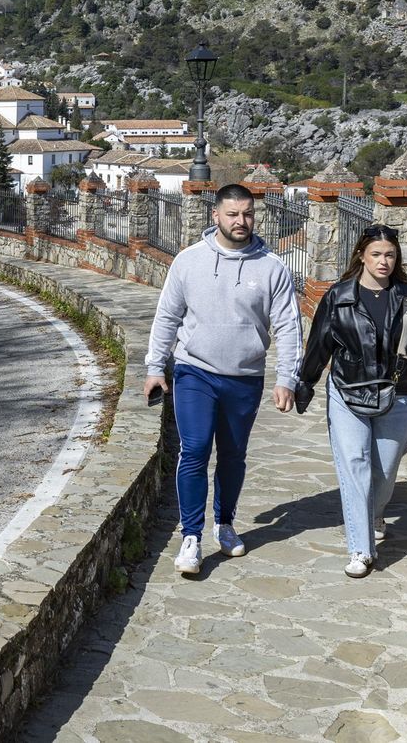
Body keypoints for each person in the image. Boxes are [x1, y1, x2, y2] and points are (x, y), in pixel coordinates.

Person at [144, 183, 304, 575]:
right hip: (194, 370)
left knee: (232, 456)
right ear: (215, 215)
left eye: (247, 214)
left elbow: (288, 326)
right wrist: (154, 367)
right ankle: (191, 536)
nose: (241, 221)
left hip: (245, 377)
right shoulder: (189, 261)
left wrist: (287, 378)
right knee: (195, 449)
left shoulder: (272, 267)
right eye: (232, 214)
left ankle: (225, 523)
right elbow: (167, 316)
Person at [295, 223, 407, 578]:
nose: (383, 261)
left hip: (397, 392)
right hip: (347, 391)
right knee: (355, 466)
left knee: (385, 470)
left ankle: (376, 513)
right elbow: (319, 343)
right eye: (376, 254)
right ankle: (361, 549)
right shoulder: (339, 296)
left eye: (390, 255)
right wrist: (306, 381)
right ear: (361, 255)